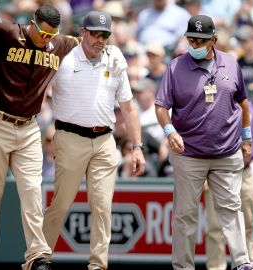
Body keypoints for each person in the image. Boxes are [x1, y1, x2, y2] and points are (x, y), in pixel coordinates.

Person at [0, 4, 126, 270]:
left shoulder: (61, 43)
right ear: (32, 23)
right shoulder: (8, 31)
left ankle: (38, 256)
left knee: (33, 192)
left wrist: (113, 52)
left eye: (51, 35)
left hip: (30, 127)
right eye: (42, 33)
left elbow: (95, 43)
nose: (46, 40)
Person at [154, 15, 253, 270]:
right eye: (191, 38)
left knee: (232, 208)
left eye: (201, 39)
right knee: (185, 215)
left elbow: (243, 102)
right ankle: (183, 267)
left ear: (214, 40)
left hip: (226, 151)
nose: (195, 43)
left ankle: (242, 262)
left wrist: (246, 139)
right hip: (188, 153)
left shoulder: (231, 63)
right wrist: (170, 131)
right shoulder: (176, 67)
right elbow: (161, 107)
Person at [42, 11, 146, 270]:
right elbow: (37, 87)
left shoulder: (115, 59)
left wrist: (137, 147)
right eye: (96, 33)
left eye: (105, 35)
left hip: (104, 139)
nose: (100, 39)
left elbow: (129, 107)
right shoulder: (63, 55)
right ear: (83, 33)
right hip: (69, 136)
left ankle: (98, 265)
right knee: (61, 204)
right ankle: (39, 258)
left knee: (102, 206)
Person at [204, 100, 253, 270]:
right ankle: (215, 267)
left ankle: (246, 265)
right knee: (215, 226)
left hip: (244, 172)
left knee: (246, 224)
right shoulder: (211, 104)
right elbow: (202, 138)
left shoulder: (252, 108)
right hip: (217, 171)